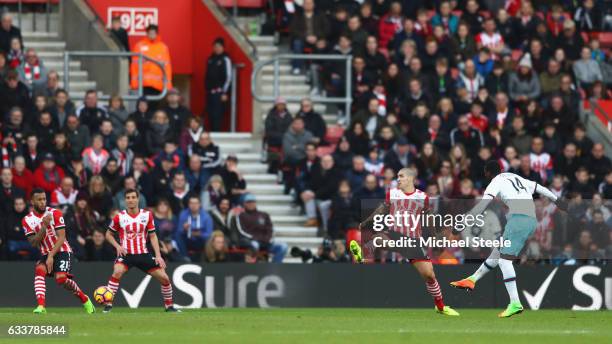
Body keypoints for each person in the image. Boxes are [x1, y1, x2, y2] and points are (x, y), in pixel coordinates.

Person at [450, 161, 566, 317]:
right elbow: (540, 188)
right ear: (501, 169)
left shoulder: (494, 182)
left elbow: (481, 206)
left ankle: (515, 303)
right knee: (497, 253)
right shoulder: (514, 177)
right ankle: (472, 279)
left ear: (487, 174)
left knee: (504, 261)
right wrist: (557, 200)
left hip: (519, 220)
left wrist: (462, 223)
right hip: (529, 220)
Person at [352, 168, 459, 316]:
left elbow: (428, 218)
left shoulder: (422, 197)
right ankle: (362, 252)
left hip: (413, 240)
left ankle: (440, 307)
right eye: (397, 176)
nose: (398, 179)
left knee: (429, 275)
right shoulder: (393, 194)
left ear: (410, 178)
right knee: (378, 238)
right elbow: (381, 210)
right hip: (394, 233)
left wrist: (435, 236)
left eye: (401, 176)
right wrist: (365, 223)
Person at [103, 188, 180, 312]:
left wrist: (158, 255)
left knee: (165, 278)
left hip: (143, 254)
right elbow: (108, 234)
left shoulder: (147, 215)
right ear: (125, 200)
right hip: (126, 255)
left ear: (138, 199)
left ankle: (169, 306)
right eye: (128, 198)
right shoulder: (119, 217)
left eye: (133, 197)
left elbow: (153, 235)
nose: (131, 200)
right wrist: (117, 246)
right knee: (117, 272)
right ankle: (108, 304)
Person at [23, 188, 96, 314]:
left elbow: (62, 237)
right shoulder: (27, 220)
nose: (42, 202)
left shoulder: (55, 213)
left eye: (44, 199)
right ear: (32, 201)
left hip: (62, 251)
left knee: (61, 279)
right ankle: (41, 307)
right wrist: (44, 226)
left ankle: (85, 299)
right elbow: (34, 242)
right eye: (39, 199)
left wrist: (51, 256)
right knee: (39, 270)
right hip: (46, 253)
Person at [235, 193, 287, 263]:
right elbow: (241, 230)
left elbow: (270, 229)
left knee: (283, 246)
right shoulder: (241, 215)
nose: (251, 204)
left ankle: (274, 268)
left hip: (266, 241)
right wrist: (255, 238)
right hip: (252, 241)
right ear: (244, 204)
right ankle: (255, 268)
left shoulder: (264, 214)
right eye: (248, 202)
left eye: (252, 201)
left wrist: (267, 239)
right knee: (254, 245)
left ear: (255, 203)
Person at [130, 24, 173, 104]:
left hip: (157, 86)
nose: (151, 35)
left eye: (153, 33)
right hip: (143, 84)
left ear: (157, 34)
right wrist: (134, 84)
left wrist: (168, 85)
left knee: (154, 110)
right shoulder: (139, 46)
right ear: (147, 33)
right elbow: (134, 66)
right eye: (150, 33)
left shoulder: (163, 48)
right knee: (142, 107)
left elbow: (167, 67)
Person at [205, 38, 232, 131]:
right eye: (215, 46)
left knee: (218, 115)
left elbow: (228, 77)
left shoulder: (226, 59)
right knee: (210, 114)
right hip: (210, 92)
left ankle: (217, 134)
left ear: (223, 47)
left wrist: (225, 92)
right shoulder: (210, 59)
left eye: (219, 46)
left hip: (220, 92)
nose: (217, 48)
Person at [175, 195, 213, 260]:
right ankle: (185, 258)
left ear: (200, 204)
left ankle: (206, 259)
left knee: (209, 239)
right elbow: (179, 230)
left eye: (196, 203)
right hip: (187, 239)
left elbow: (209, 234)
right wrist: (184, 229)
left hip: (201, 240)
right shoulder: (183, 214)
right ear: (188, 204)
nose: (193, 205)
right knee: (177, 235)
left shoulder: (206, 216)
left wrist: (199, 234)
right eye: (191, 203)